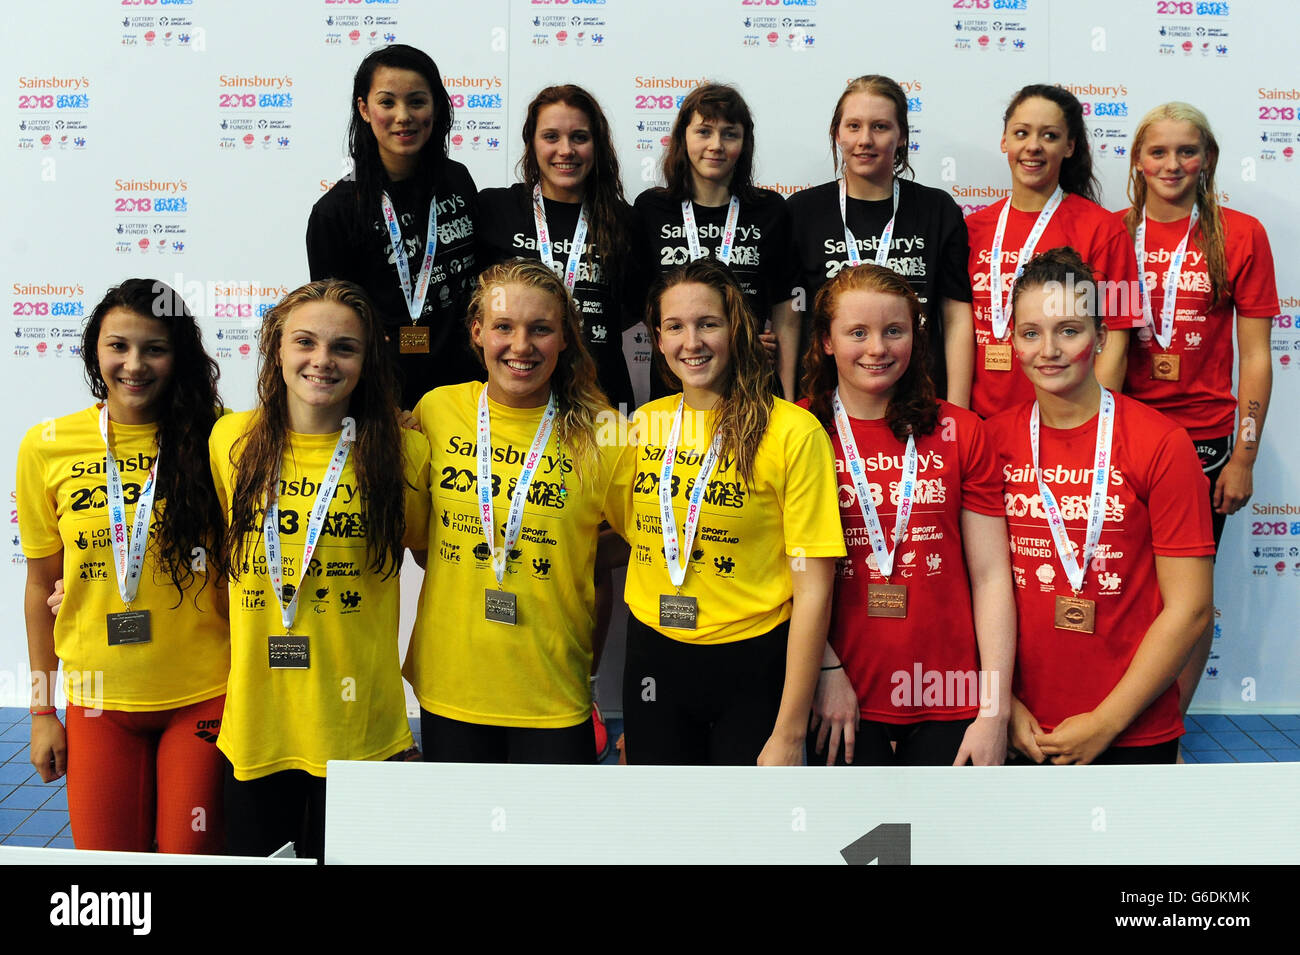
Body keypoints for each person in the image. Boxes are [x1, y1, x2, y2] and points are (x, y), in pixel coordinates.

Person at [209, 279, 430, 858]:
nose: (322, 361)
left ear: (366, 360)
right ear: (276, 348)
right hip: (260, 730)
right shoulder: (231, 440)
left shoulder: (404, 454)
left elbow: (443, 562)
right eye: (304, 342)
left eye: (344, 348)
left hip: (361, 731)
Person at [17, 279, 228, 852]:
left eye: (154, 348)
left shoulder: (220, 439)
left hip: (203, 693)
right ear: (95, 353)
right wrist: (41, 709)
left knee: (189, 861)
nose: (134, 364)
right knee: (110, 881)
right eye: (118, 346)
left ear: (178, 355)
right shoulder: (47, 445)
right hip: (97, 700)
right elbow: (40, 588)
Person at [985, 248, 1214, 765]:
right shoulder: (992, 440)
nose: (1049, 350)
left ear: (1102, 339)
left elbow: (1191, 607)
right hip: (1021, 727)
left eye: (1069, 330)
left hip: (1133, 729)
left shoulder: (1162, 442)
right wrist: (1003, 703)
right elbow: (974, 587)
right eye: (1030, 332)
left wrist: (1107, 722)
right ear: (1012, 343)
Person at [404, 259, 632, 762]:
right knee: (460, 841)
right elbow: (423, 541)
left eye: (541, 329)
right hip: (452, 684)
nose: (521, 346)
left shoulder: (604, 431)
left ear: (565, 338)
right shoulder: (437, 411)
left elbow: (650, 540)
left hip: (552, 690)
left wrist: (578, 550)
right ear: (477, 332)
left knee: (548, 842)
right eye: (504, 327)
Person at [621, 259, 844, 766]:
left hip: (752, 660)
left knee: (747, 837)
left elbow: (814, 588)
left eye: (708, 324)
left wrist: (789, 732)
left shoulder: (794, 432)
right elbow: (630, 532)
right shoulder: (642, 426)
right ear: (657, 339)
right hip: (653, 656)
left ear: (736, 327)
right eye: (675, 327)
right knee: (664, 828)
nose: (691, 342)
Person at [800, 264, 1014, 766]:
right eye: (858, 333)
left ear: (915, 338)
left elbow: (990, 577)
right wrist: (824, 673)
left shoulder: (961, 430)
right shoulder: (800, 427)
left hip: (950, 696)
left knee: (941, 845)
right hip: (840, 694)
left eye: (894, 331)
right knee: (858, 844)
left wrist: (994, 711)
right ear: (827, 342)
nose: (877, 349)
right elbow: (782, 572)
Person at [1119, 102, 1277, 711]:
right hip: (1123, 437)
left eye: (1188, 151)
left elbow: (1257, 356)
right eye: (1158, 151)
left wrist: (1244, 455)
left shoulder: (1241, 234)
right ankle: (1122, 720)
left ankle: (1170, 731)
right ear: (1137, 160)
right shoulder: (1113, 231)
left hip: (1206, 443)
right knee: (1121, 586)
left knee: (1187, 601)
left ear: (1207, 159)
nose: (1173, 164)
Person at [306, 44, 479, 411]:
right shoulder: (335, 213)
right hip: (383, 399)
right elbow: (333, 323)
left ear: (437, 106)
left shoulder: (458, 180)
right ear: (364, 109)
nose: (404, 116)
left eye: (417, 101)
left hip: (467, 390)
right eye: (387, 103)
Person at [789, 75, 974, 406]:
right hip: (824, 403)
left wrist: (958, 413)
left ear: (901, 136)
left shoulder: (937, 209)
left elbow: (957, 318)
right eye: (854, 126)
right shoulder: (803, 212)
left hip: (921, 400)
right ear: (837, 134)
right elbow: (789, 317)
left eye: (880, 127)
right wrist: (788, 402)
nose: (865, 140)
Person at [966, 83, 1141, 419]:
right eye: (1021, 133)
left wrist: (1091, 424)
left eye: (1049, 136)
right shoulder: (972, 229)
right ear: (1005, 141)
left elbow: (1118, 337)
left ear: (1070, 146)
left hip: (1064, 422)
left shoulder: (1106, 230)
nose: (1033, 146)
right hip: (984, 423)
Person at [477, 85, 639, 416]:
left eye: (579, 137)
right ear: (532, 144)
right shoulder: (495, 208)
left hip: (601, 395)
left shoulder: (624, 220)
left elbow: (644, 304)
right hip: (514, 395)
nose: (566, 150)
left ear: (597, 146)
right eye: (551, 137)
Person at [633, 83, 800, 399]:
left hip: (753, 381)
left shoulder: (769, 210)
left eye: (729, 134)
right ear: (684, 137)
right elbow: (643, 304)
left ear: (744, 143)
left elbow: (786, 308)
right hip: (678, 379)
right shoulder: (651, 209)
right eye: (704, 132)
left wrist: (790, 394)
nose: (716, 145)